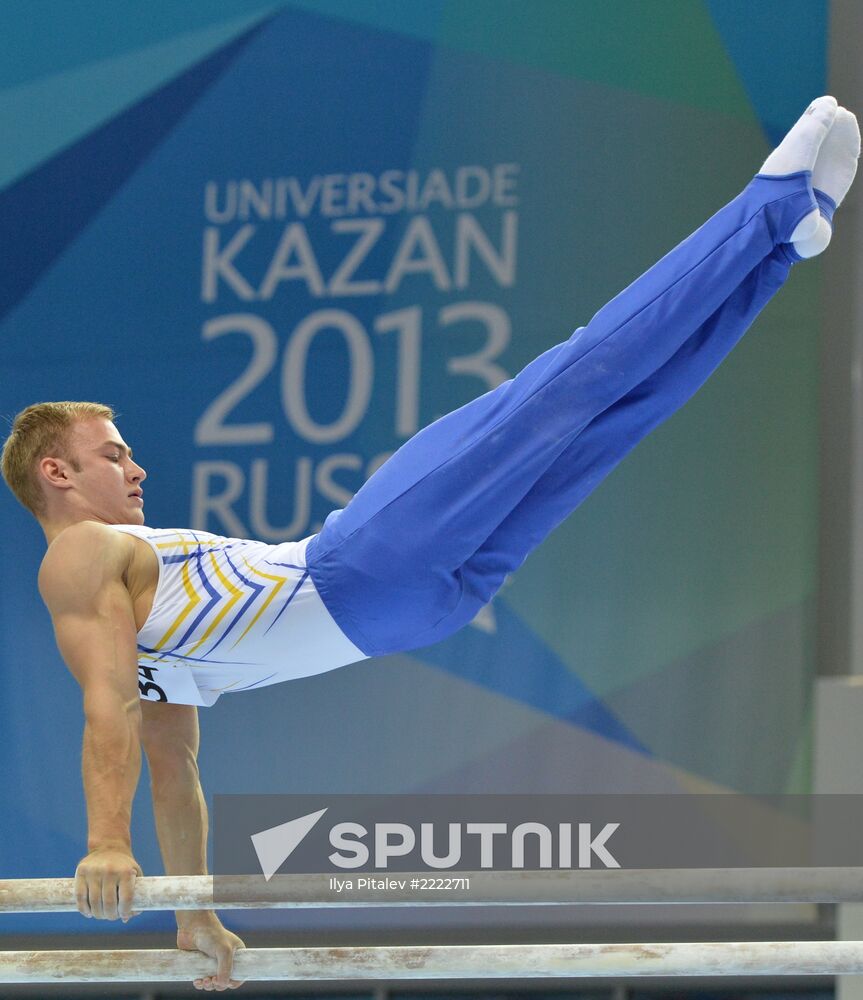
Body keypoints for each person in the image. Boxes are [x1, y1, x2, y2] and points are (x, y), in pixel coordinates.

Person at [1, 97, 858, 992]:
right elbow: (122, 725)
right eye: (112, 454)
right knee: (566, 386)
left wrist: (191, 909)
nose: (136, 470)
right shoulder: (81, 556)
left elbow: (170, 764)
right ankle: (768, 201)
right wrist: (109, 847)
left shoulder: (138, 616)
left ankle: (776, 250)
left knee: (606, 423)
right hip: (363, 566)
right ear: (55, 475)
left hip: (412, 614)